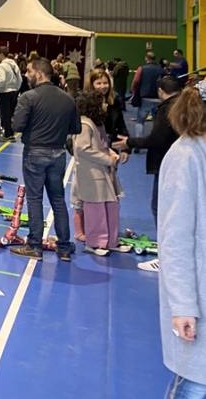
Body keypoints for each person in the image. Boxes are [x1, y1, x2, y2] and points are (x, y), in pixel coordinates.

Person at [155, 87, 206, 395]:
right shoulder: (186, 157)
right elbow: (175, 239)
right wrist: (184, 304)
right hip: (198, 297)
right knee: (197, 383)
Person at [10, 57, 80, 261]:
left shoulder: (28, 97)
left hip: (35, 152)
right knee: (58, 199)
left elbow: (17, 126)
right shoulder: (67, 98)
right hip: (58, 154)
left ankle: (34, 245)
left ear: (39, 74)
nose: (26, 75)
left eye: (29, 71)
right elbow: (76, 128)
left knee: (35, 199)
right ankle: (64, 247)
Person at [112, 75, 181, 272]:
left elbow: (156, 139)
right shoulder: (186, 107)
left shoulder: (168, 109)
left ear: (160, 91)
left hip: (168, 165)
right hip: (181, 165)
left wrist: (130, 142)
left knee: (161, 208)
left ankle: (166, 258)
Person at [70, 91, 128, 257]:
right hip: (91, 174)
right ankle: (95, 243)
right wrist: (108, 159)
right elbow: (83, 149)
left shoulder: (96, 124)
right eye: (102, 102)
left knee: (111, 205)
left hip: (104, 173)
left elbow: (101, 146)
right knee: (95, 209)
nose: (105, 105)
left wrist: (111, 153)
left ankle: (111, 241)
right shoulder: (84, 125)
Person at [130, 51, 164, 134]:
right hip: (158, 98)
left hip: (145, 97)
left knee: (140, 121)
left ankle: (138, 139)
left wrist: (133, 91)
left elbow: (136, 81)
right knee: (157, 122)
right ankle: (156, 139)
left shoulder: (142, 68)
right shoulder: (161, 69)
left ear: (146, 58)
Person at [0, 47, 22, 139]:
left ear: (1, 54)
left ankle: (8, 134)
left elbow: (2, 80)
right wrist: (16, 88)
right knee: (10, 114)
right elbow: (20, 78)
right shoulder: (13, 64)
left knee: (5, 114)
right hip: (14, 92)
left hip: (4, 92)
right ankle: (10, 132)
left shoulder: (1, 66)